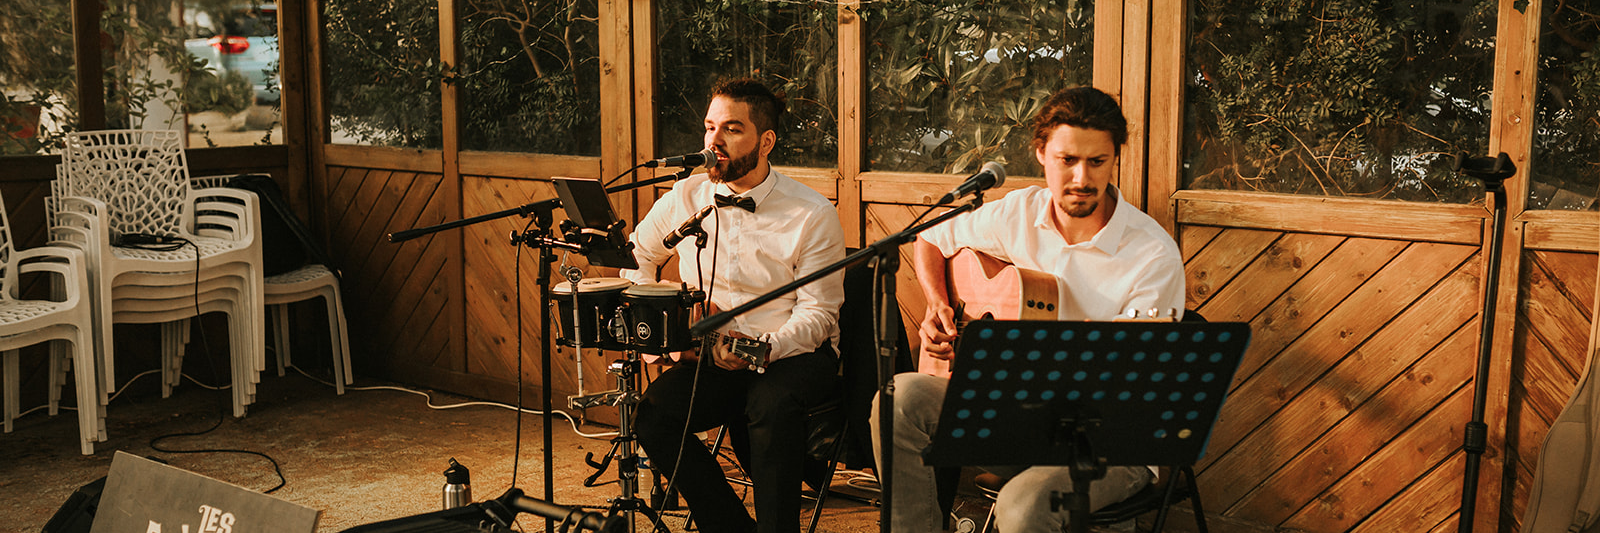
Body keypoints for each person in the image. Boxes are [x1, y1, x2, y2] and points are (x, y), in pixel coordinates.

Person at [871, 86, 1187, 532]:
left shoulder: (1151, 255)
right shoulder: (1019, 212)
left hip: (1107, 442)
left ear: (1115, 158)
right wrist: (938, 305)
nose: (1081, 178)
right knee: (898, 401)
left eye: (1097, 162)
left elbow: (1128, 387)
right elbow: (931, 239)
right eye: (1067, 160)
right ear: (1041, 153)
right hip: (1014, 414)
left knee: (1022, 505)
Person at [624, 77, 846, 533]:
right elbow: (636, 257)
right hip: (712, 354)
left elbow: (819, 314)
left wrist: (763, 348)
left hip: (792, 354)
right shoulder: (686, 196)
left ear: (766, 141)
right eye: (709, 128)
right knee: (653, 414)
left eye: (731, 129)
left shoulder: (812, 213)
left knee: (770, 407)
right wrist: (669, 322)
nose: (714, 142)